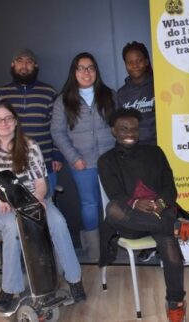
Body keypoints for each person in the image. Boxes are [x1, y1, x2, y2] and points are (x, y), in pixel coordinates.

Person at [98, 108, 189, 322]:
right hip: (132, 220)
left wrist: (159, 204)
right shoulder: (106, 160)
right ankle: (179, 229)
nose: (129, 133)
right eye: (123, 129)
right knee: (112, 208)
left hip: (161, 214)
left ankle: (175, 304)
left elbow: (170, 188)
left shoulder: (155, 153)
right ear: (113, 131)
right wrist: (135, 202)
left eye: (134, 129)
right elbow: (115, 194)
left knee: (171, 253)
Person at [0, 102, 85, 312]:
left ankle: (74, 279)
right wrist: (0, 196)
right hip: (2, 205)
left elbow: (41, 183)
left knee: (58, 222)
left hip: (32, 198)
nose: (3, 123)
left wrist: (39, 198)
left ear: (15, 121)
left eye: (8, 118)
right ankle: (10, 289)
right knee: (15, 228)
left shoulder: (29, 146)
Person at [51, 52, 115, 262]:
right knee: (90, 205)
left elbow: (119, 126)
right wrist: (73, 158)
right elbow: (57, 132)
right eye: (81, 68)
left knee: (112, 204)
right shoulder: (64, 100)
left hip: (110, 161)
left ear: (96, 71)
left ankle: (112, 245)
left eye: (90, 67)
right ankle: (95, 251)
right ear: (74, 72)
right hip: (82, 162)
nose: (86, 72)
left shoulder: (110, 95)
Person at [0, 48, 63, 198]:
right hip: (11, 164)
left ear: (35, 66)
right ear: (13, 64)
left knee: (47, 204)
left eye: (29, 62)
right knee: (17, 207)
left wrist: (56, 155)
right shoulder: (1, 93)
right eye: (20, 61)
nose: (24, 66)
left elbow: (57, 126)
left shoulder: (49, 92)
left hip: (45, 162)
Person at [117, 41, 158, 263]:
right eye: (130, 62)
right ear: (125, 65)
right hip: (136, 154)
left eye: (139, 60)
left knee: (163, 196)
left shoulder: (160, 85)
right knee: (141, 197)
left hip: (159, 150)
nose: (135, 65)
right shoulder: (122, 94)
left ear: (146, 61)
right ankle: (146, 239)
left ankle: (165, 240)